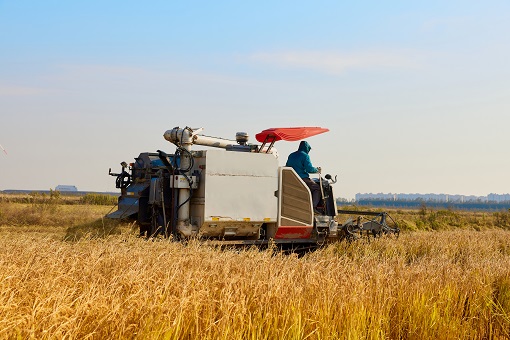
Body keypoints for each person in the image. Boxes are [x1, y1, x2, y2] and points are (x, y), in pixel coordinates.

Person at [286, 140, 322, 213]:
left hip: (292, 179)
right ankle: (313, 207)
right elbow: (309, 169)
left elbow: (287, 166)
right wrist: (317, 170)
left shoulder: (291, 155)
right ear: (307, 148)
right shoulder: (305, 156)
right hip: (302, 178)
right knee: (316, 188)